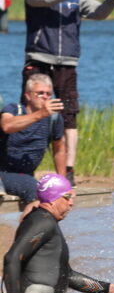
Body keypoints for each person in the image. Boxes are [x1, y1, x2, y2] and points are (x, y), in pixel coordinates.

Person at [23, 0, 114, 187]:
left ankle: (68, 170)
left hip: (67, 63)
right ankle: (24, 167)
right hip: (39, 59)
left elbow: (99, 13)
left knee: (69, 116)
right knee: (33, 113)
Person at [0, 74, 66, 204]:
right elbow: (7, 126)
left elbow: (59, 150)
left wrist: (63, 183)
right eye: (40, 93)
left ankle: (32, 223)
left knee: (56, 199)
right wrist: (41, 114)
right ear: (28, 95)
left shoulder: (54, 119)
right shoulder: (14, 109)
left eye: (48, 94)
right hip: (2, 173)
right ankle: (32, 224)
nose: (45, 97)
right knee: (35, 189)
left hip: (25, 176)